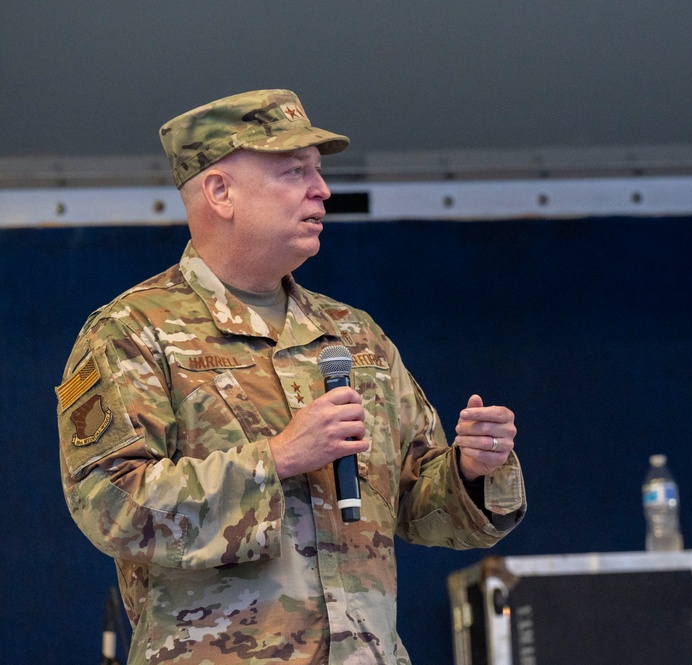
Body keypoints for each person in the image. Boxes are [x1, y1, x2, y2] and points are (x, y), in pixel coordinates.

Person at [55, 89, 526, 665]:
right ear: (220, 192)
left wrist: (473, 470)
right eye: (293, 172)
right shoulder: (131, 332)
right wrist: (276, 458)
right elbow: (109, 505)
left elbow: (416, 501)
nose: (322, 190)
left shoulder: (355, 336)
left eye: (319, 172)